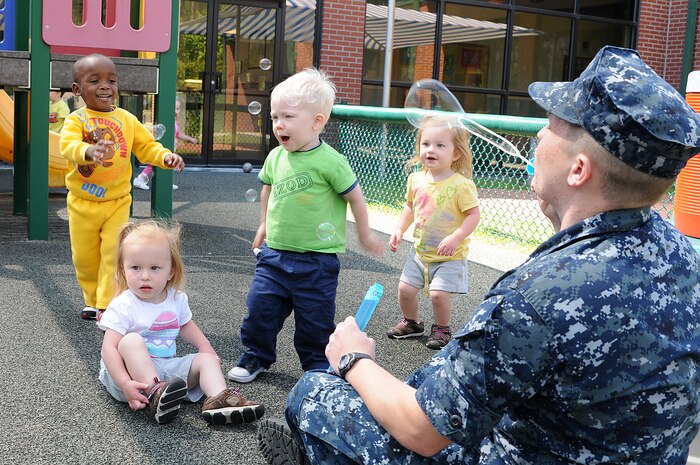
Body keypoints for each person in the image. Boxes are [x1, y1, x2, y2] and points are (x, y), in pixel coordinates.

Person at [257, 46, 700, 464]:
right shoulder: (688, 260)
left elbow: (422, 429)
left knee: (315, 391)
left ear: (578, 169)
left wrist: (354, 357)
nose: (539, 134)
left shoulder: (538, 296)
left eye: (550, 124)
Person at [227, 68, 384, 384]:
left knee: (315, 321)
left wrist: (365, 232)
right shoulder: (275, 157)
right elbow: (267, 190)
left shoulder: (331, 161)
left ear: (317, 122)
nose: (278, 125)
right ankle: (256, 355)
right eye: (274, 117)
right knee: (259, 311)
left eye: (288, 116)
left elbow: (355, 197)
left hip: (317, 261)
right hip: (273, 256)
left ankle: (315, 364)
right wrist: (263, 226)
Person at [98, 220, 265, 425]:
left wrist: (205, 347)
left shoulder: (175, 299)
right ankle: (155, 394)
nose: (145, 276)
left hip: (166, 369)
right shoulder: (123, 304)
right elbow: (108, 349)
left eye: (155, 268)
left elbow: (185, 325)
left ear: (171, 271)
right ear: (123, 270)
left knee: (206, 360)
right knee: (130, 340)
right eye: (135, 268)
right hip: (128, 375)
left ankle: (219, 400)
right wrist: (125, 383)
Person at [60, 54, 185, 320]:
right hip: (82, 203)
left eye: (111, 81)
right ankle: (91, 298)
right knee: (84, 258)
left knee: (111, 253)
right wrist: (88, 150)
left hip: (117, 201)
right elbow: (67, 146)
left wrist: (164, 157)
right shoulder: (76, 120)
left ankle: (106, 304)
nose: (105, 86)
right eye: (95, 81)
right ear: (77, 90)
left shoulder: (127, 120)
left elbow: (146, 146)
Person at [387, 116, 480, 350]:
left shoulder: (461, 185)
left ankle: (441, 328)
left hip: (450, 255)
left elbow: (473, 215)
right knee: (405, 289)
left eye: (440, 145)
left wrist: (455, 236)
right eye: (426, 144)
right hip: (420, 252)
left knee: (438, 294)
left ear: (456, 154)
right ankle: (411, 322)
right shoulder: (416, 179)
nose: (431, 150)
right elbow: (410, 206)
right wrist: (399, 229)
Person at [133, 96, 197, 191]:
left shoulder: (175, 122)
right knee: (153, 164)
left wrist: (190, 139)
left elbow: (178, 134)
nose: (176, 111)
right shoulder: (167, 121)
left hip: (170, 148)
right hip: (164, 148)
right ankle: (140, 179)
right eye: (174, 108)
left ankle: (166, 182)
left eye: (178, 109)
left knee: (167, 164)